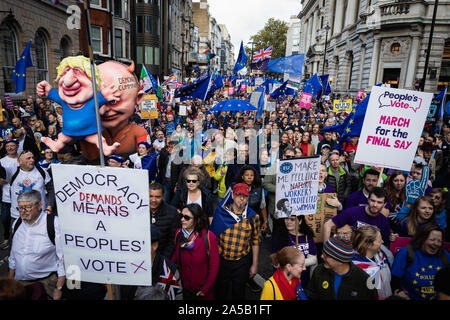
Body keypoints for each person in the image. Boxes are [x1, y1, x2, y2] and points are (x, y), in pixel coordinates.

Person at [8, 190, 65, 300]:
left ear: (39, 205)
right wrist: (10, 280)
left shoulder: (54, 224)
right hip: (19, 284)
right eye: (20, 208)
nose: (23, 211)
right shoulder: (17, 223)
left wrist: (58, 288)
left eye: (28, 207)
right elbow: (13, 255)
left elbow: (62, 259)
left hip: (45, 283)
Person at [210, 183, 261, 300]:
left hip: (242, 262)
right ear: (232, 195)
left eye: (245, 196)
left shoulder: (253, 217)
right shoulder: (221, 213)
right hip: (222, 261)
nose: (241, 198)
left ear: (248, 197)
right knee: (220, 292)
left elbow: (255, 241)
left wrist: (254, 265)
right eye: (238, 195)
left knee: (238, 293)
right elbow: (212, 238)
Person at [117, 224, 179, 300]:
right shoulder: (125, 267)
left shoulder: (170, 271)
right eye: (133, 243)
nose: (135, 248)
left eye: (140, 244)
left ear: (154, 246)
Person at [307, 235, 378, 300]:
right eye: (323, 253)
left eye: (327, 256)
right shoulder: (319, 271)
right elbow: (312, 296)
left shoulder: (364, 280)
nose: (322, 257)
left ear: (341, 260)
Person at [171, 204, 220, 300]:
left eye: (187, 217)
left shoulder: (209, 237)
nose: (182, 219)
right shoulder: (178, 233)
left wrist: (205, 289)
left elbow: (214, 266)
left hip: (202, 291)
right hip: (185, 288)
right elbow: (176, 257)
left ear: (197, 220)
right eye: (181, 216)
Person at [390, 224, 450, 300]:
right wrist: (399, 292)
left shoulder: (445, 255)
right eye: (432, 240)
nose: (436, 243)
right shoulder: (406, 253)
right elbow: (394, 279)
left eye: (439, 241)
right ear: (422, 239)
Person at [323, 187, 392, 247]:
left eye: (379, 202)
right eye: (372, 200)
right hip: (349, 253)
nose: (375, 205)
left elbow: (384, 244)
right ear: (368, 199)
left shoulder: (384, 222)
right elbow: (327, 225)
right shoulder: (353, 212)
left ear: (384, 204)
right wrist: (326, 250)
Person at [9, 150, 54, 225]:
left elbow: (51, 190)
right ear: (20, 161)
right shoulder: (12, 172)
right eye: (28, 158)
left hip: (39, 216)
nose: (32, 160)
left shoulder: (42, 172)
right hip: (18, 216)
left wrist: (49, 206)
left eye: (33, 157)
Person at [272, 215, 318, 287]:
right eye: (286, 218)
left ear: (300, 221)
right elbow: (275, 263)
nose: (288, 222)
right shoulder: (280, 236)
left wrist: (293, 264)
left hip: (305, 280)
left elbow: (314, 259)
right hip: (287, 281)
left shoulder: (307, 235)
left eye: (292, 219)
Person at [352, 225, 393, 299]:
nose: (382, 241)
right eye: (379, 240)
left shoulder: (381, 256)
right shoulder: (358, 268)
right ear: (368, 245)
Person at [149, 183, 180, 259]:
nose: (153, 200)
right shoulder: (139, 211)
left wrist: (163, 259)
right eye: (150, 196)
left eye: (157, 197)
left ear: (163, 196)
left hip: (163, 258)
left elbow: (173, 239)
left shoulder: (172, 213)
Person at [234, 165, 268, 232]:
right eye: (247, 175)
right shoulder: (234, 188)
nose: (249, 177)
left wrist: (265, 221)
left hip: (254, 222)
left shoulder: (259, 189)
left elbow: (263, 206)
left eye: (252, 175)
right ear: (242, 177)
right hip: (238, 223)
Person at [0, 139, 20, 250]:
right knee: (4, 218)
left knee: (21, 219)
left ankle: (21, 240)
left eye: (12, 146)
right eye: (8, 146)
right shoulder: (2, 161)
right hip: (6, 196)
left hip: (21, 196)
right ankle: (7, 238)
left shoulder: (22, 159)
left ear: (17, 147)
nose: (10, 148)